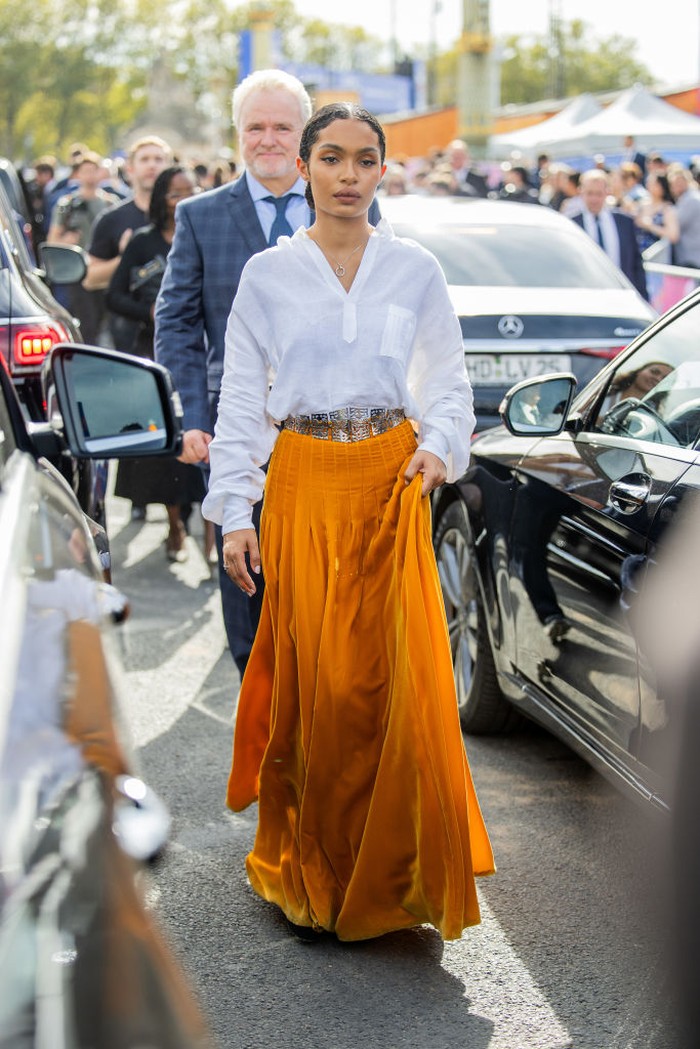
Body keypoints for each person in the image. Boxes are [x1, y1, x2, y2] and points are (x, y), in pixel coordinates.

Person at [202, 102, 495, 943]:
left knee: (390, 683)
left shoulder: (416, 270)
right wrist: (234, 512)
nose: (348, 174)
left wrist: (439, 448)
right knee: (322, 685)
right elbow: (237, 407)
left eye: (365, 160)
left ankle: (395, 870)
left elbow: (449, 383)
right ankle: (316, 869)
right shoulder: (268, 275)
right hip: (302, 484)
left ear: (381, 171)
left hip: (390, 483)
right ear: (303, 169)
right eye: (330, 158)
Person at [154, 69, 380, 677]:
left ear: (304, 135)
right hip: (235, 426)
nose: (269, 139)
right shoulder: (201, 216)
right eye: (255, 127)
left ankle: (319, 701)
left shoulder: (358, 205)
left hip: (331, 429)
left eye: (283, 126)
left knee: (329, 581)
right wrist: (192, 419)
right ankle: (261, 704)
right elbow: (177, 321)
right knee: (245, 568)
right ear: (238, 135)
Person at [106, 166, 209, 562]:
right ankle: (174, 522)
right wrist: (148, 311)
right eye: (174, 193)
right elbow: (114, 296)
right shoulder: (144, 242)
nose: (182, 198)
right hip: (153, 352)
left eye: (190, 190)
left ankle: (209, 533)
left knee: (205, 435)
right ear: (161, 198)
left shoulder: (205, 232)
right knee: (169, 444)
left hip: (204, 352)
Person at [85, 136, 173, 352]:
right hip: (129, 336)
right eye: (145, 159)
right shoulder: (112, 219)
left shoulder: (187, 215)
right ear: (130, 169)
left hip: (179, 333)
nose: (152, 165)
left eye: (158, 159)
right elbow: (91, 278)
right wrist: (124, 258)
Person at [47, 151, 114, 344]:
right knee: (87, 322)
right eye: (85, 171)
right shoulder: (67, 204)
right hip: (77, 270)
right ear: (78, 174)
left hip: (103, 269)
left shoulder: (110, 203)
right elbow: (52, 240)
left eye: (94, 170)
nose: (90, 176)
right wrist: (67, 239)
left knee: (103, 320)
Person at [572, 169, 648, 300]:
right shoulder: (572, 225)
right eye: (589, 193)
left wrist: (643, 297)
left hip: (623, 296)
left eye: (599, 194)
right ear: (581, 192)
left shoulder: (624, 222)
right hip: (585, 297)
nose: (594, 199)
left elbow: (636, 263)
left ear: (607, 192)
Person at [667, 164, 700, 268]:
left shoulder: (691, 199)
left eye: (679, 183)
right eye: (674, 184)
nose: (676, 187)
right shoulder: (688, 198)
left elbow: (675, 224)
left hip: (693, 257)